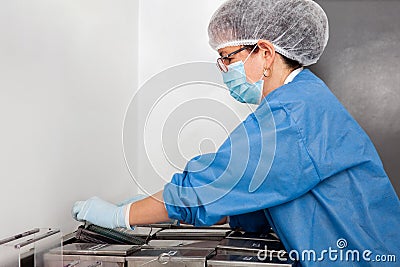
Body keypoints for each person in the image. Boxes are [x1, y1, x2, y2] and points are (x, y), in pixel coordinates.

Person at [72, 0, 400, 265]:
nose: (225, 71)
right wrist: (158, 208)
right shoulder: (304, 99)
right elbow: (256, 199)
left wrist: (121, 215)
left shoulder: (291, 116)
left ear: (266, 53)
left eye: (227, 58)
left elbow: (213, 184)